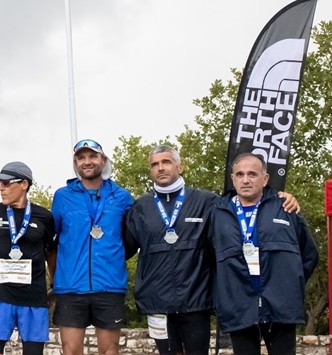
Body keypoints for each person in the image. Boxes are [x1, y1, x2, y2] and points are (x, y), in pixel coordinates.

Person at [123, 145, 301, 355]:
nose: (161, 168)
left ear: (180, 166)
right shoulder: (140, 207)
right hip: (156, 304)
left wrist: (282, 198)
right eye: (155, 164)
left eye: (166, 162)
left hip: (197, 301)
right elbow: (124, 249)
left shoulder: (209, 202)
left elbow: (245, 207)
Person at [211, 153, 318, 355]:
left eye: (252, 174)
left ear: (265, 178)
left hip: (281, 306)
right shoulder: (217, 213)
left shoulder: (286, 208)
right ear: (232, 179)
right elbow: (209, 257)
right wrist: (221, 294)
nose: (245, 180)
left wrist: (289, 284)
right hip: (238, 305)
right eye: (240, 174)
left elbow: (309, 255)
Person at [50, 139, 134, 355]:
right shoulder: (62, 196)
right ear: (75, 163)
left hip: (109, 286)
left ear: (103, 160)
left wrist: (113, 261)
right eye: (81, 158)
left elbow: (130, 239)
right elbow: (53, 238)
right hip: (70, 286)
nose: (87, 162)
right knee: (70, 351)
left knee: (110, 350)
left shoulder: (122, 197)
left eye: (92, 156)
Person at [0, 162, 56, 355]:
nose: (0, 188)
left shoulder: (44, 217)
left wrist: (55, 288)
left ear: (24, 184)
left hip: (33, 298)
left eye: (6, 183)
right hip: (0, 295)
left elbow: (51, 254)